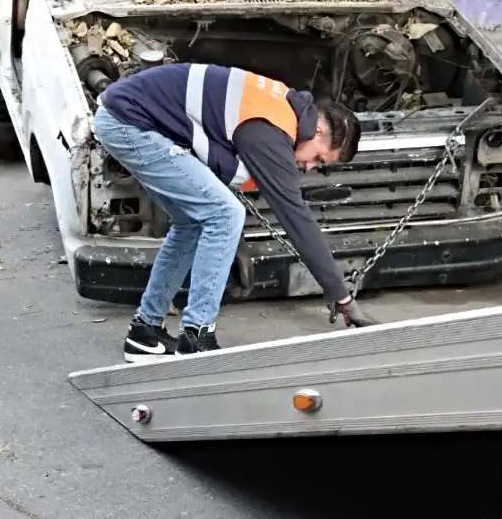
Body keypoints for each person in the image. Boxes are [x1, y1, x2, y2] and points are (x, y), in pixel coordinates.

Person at [92, 62, 378, 362]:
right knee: (225, 213)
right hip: (129, 123)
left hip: (127, 117)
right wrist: (342, 296)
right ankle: (198, 333)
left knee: (192, 222)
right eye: (318, 159)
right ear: (318, 130)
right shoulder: (271, 129)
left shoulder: (283, 109)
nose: (309, 167)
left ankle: (145, 333)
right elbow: (297, 220)